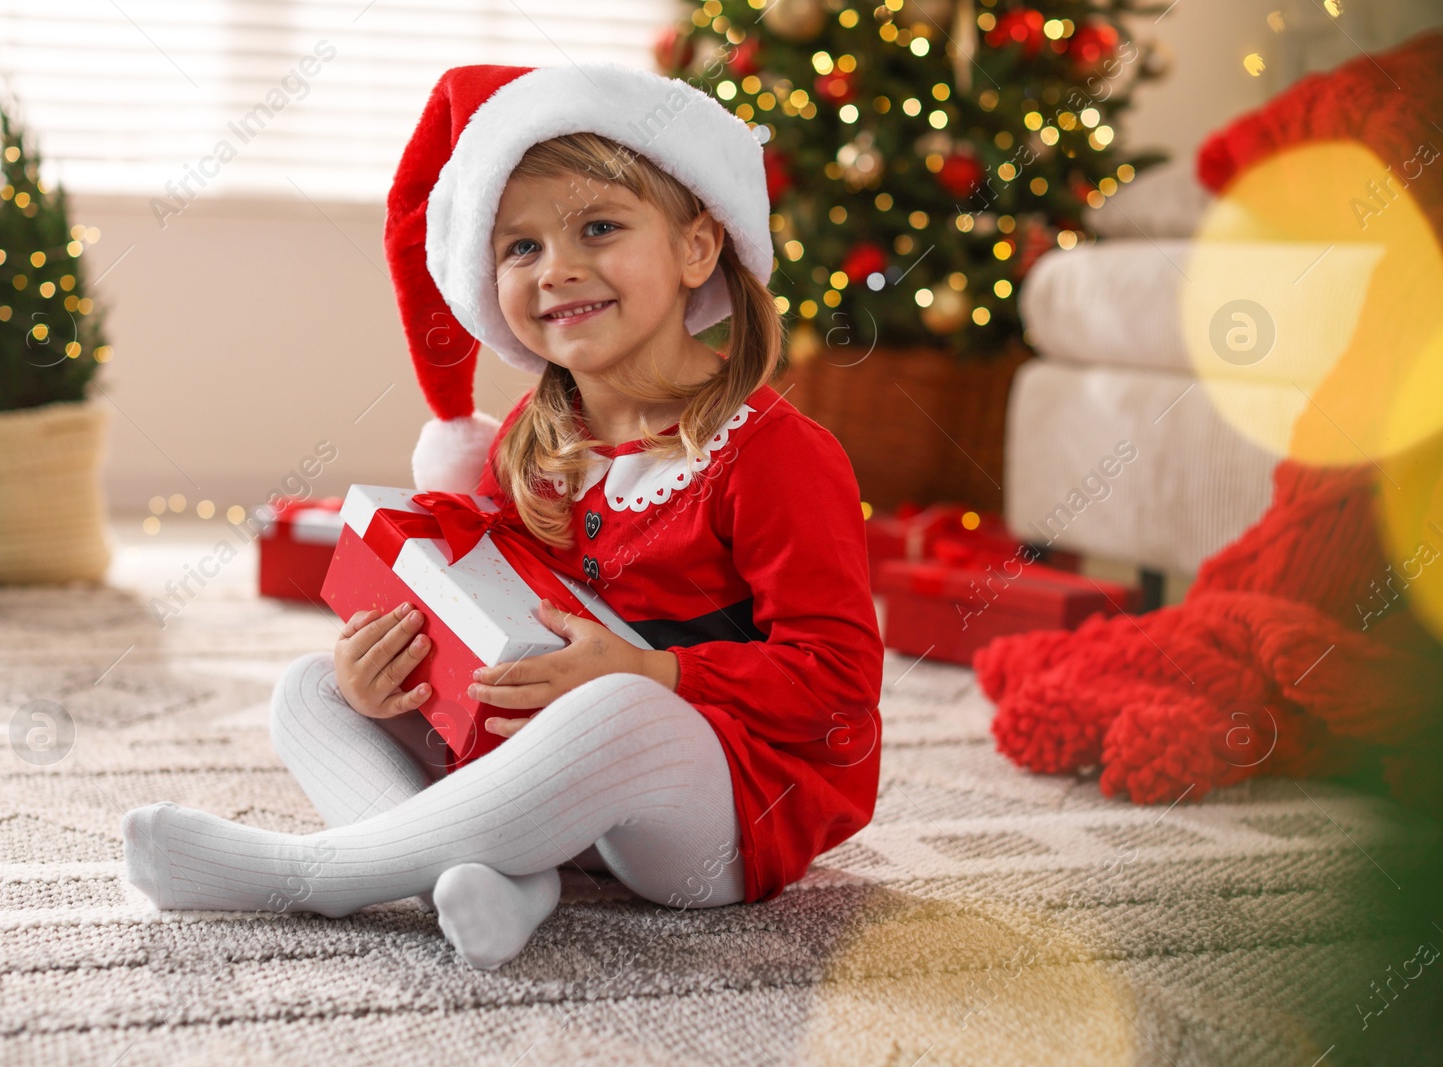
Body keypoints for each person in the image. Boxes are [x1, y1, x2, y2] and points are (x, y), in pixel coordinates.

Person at [120, 61, 884, 971]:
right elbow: (503, 621)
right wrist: (395, 670)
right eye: (519, 247)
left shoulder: (774, 454)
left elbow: (837, 685)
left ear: (697, 247)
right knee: (312, 690)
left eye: (598, 227)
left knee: (619, 708)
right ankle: (505, 877)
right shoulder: (535, 439)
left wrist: (655, 672)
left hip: (719, 815)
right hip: (546, 784)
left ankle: (319, 873)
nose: (556, 268)